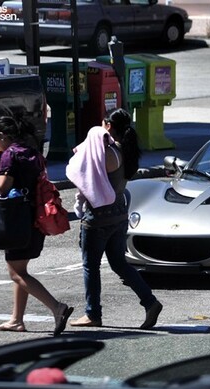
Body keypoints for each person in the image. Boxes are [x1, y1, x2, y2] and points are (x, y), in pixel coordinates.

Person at [66, 108, 163, 329]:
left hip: (97, 218)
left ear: (108, 126)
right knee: (120, 263)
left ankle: (93, 314)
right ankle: (150, 302)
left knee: (90, 266)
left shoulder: (105, 153)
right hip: (119, 215)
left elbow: (84, 178)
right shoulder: (124, 151)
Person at [0, 115, 73, 335]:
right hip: (33, 219)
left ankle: (57, 307)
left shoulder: (10, 155)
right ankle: (16, 320)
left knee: (16, 273)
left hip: (16, 219)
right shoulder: (32, 153)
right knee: (20, 270)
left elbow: (1, 187)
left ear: (2, 136)